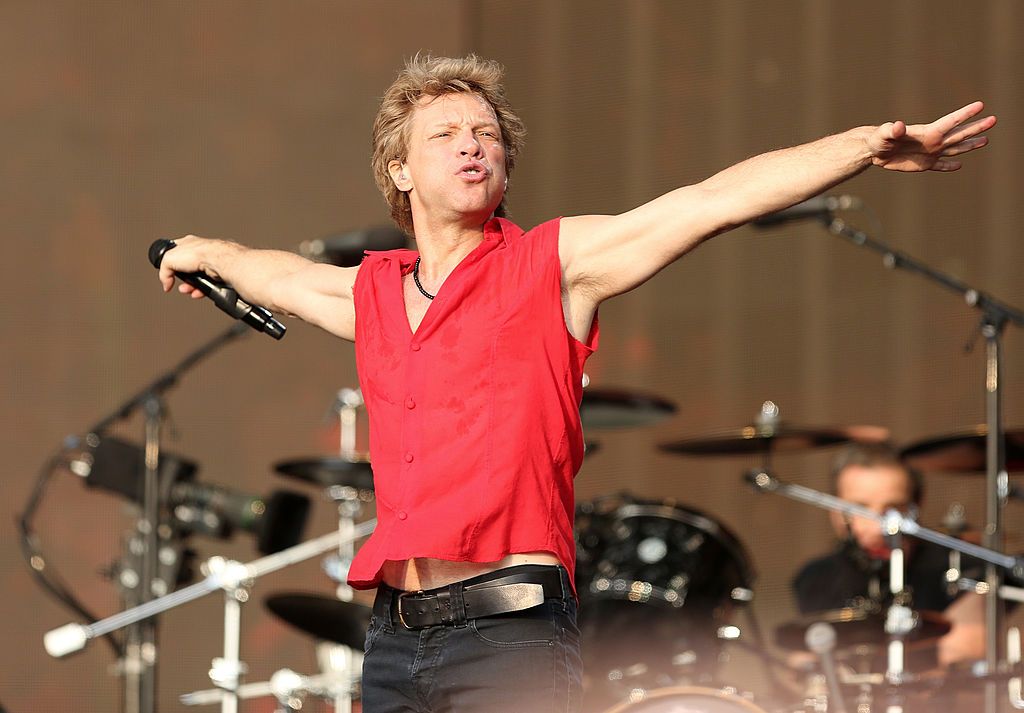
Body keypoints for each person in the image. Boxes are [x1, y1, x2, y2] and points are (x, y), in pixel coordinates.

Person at [155, 54, 995, 712]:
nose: (471, 143)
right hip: (394, 642)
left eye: (485, 132)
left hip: (509, 634)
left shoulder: (552, 266)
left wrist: (864, 145)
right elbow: (280, 276)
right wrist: (202, 251)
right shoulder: (372, 290)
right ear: (401, 172)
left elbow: (709, 202)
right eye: (445, 133)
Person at [792, 442, 985, 667]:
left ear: (916, 507)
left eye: (893, 509)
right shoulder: (816, 577)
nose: (877, 526)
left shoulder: (959, 569)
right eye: (859, 508)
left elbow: (968, 649)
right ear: (834, 511)